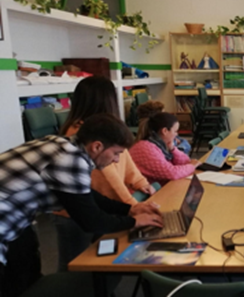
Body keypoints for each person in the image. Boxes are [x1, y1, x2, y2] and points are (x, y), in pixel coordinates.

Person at [0, 114, 163, 297]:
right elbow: (91, 221)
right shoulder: (70, 159)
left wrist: (129, 209)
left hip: (14, 223)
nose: (117, 160)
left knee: (22, 277)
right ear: (97, 146)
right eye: (116, 153)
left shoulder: (63, 144)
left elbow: (86, 195)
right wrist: (133, 222)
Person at [55, 76, 156, 272]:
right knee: (73, 266)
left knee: (94, 263)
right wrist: (134, 208)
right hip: (72, 212)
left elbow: (123, 158)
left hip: (93, 203)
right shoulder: (80, 138)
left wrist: (138, 183)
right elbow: (108, 177)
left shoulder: (105, 133)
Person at [130, 112, 201, 186]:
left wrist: (173, 149)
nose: (177, 134)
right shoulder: (145, 148)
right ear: (165, 131)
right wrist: (192, 166)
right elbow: (172, 173)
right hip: (148, 194)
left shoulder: (159, 144)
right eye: (175, 131)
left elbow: (186, 162)